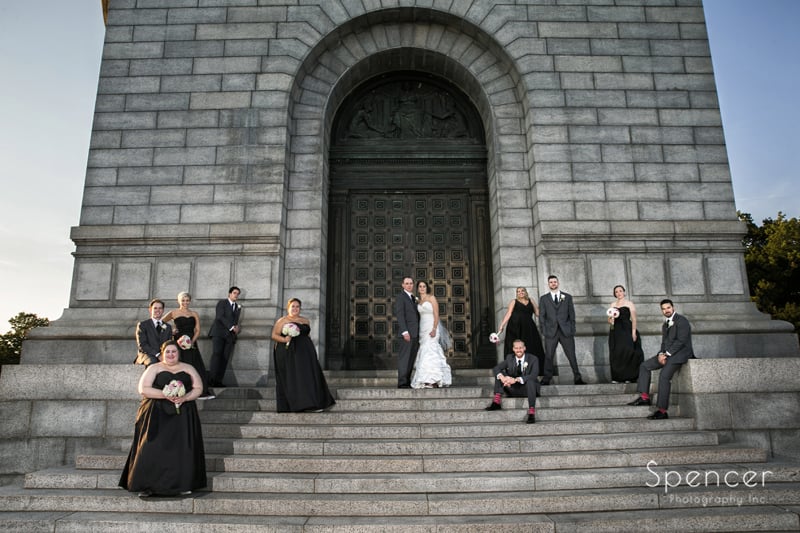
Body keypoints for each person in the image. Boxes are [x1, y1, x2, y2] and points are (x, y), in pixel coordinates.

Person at [119, 340, 207, 498]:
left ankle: (183, 484)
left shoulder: (188, 368)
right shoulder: (154, 368)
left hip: (183, 414)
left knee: (182, 449)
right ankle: (146, 485)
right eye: (168, 352)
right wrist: (166, 395)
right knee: (150, 447)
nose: (171, 354)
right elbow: (143, 388)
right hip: (156, 413)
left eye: (174, 351)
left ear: (179, 353)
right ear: (162, 353)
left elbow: (198, 387)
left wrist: (185, 397)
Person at [627, 299, 695, 420]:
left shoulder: (682, 321)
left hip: (680, 354)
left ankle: (662, 411)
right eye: (663, 309)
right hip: (667, 354)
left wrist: (667, 354)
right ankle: (644, 398)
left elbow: (681, 341)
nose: (666, 310)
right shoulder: (665, 324)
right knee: (644, 366)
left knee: (664, 376)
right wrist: (660, 354)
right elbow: (664, 343)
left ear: (673, 307)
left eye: (668, 308)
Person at [271, 298, 336, 412]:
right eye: (293, 306)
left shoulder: (305, 321)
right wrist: (285, 338)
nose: (295, 309)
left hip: (305, 353)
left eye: (297, 306)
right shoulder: (282, 321)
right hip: (289, 353)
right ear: (288, 308)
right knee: (294, 378)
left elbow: (307, 336)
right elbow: (274, 335)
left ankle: (313, 402)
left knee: (308, 376)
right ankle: (298, 404)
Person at [162, 292, 213, 399]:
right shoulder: (173, 313)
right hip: (178, 342)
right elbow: (161, 323)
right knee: (180, 364)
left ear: (190, 301)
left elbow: (198, 330)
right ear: (179, 301)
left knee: (194, 364)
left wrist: (192, 342)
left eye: (187, 300)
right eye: (183, 300)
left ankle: (198, 390)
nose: (185, 302)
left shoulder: (194, 314)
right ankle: (181, 390)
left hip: (191, 343)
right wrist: (171, 330)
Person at [538, 275, 585, 385]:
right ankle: (546, 379)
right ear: (548, 284)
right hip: (550, 332)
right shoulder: (544, 299)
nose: (553, 283)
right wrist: (544, 330)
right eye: (551, 282)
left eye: (555, 282)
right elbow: (542, 316)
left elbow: (572, 314)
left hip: (566, 331)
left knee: (571, 355)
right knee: (549, 356)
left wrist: (572, 329)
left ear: (558, 283)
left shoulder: (567, 297)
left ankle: (577, 378)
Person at [484, 339, 540, 424]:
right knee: (499, 373)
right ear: (513, 349)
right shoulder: (510, 358)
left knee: (531, 380)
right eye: (516, 348)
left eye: (520, 348)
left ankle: (531, 412)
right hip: (513, 389)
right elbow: (496, 368)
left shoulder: (533, 359)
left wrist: (515, 380)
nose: (518, 350)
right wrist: (503, 378)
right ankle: (496, 402)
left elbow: (534, 374)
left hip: (528, 390)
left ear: (524, 348)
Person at [410, 281, 452, 389]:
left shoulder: (431, 298)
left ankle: (434, 379)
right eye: (420, 286)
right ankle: (425, 379)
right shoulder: (418, 301)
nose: (422, 288)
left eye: (424, 286)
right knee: (424, 351)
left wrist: (434, 328)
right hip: (423, 329)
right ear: (418, 289)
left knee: (431, 351)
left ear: (426, 288)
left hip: (431, 327)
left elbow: (436, 314)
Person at [497, 287, 546, 377]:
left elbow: (538, 313)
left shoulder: (531, 300)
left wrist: (547, 312)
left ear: (525, 292)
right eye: (518, 291)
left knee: (531, 346)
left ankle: (531, 369)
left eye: (522, 291)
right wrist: (502, 325)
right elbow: (509, 313)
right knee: (515, 347)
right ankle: (514, 370)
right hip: (515, 327)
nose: (520, 293)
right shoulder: (514, 301)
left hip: (529, 327)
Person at [607, 285, 644, 383]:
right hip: (615, 331)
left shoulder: (629, 303)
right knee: (616, 352)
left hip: (627, 329)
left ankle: (629, 376)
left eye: (620, 291)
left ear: (624, 292)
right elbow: (610, 319)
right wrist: (610, 320)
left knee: (628, 351)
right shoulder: (613, 304)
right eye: (616, 292)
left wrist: (633, 332)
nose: (618, 293)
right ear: (614, 294)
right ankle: (617, 377)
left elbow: (634, 319)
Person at [208, 286, 242, 387]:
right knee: (217, 355)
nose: (236, 295)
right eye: (234, 293)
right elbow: (220, 316)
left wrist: (236, 328)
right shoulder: (222, 303)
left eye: (238, 294)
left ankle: (218, 381)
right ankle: (211, 380)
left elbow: (235, 320)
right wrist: (232, 327)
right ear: (229, 294)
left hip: (229, 337)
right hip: (218, 334)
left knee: (225, 358)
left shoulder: (237, 307)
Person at [394, 276, 420, 388]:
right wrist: (405, 331)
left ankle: (407, 381)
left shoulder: (413, 298)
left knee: (410, 360)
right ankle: (402, 382)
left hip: (415, 334)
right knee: (404, 359)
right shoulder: (401, 297)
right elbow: (400, 315)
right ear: (403, 285)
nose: (409, 285)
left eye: (411, 283)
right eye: (407, 283)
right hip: (407, 334)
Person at [134, 298, 172, 366]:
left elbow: (168, 344)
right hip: (147, 354)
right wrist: (157, 355)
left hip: (163, 355)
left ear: (163, 310)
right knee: (153, 363)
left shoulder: (168, 327)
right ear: (150, 310)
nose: (158, 310)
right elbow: (142, 345)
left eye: (160, 308)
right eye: (155, 308)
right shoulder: (143, 325)